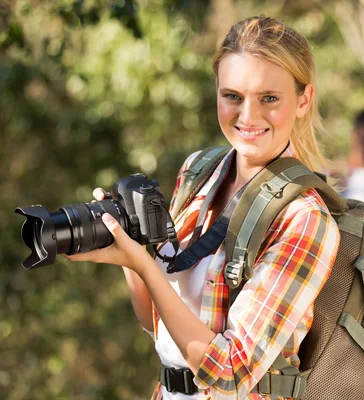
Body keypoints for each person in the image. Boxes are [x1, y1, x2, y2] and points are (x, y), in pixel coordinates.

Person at [65, 16, 340, 399]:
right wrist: (128, 254)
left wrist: (145, 265)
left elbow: (230, 373)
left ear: (303, 100)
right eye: (232, 96)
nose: (247, 116)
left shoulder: (304, 219)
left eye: (269, 98)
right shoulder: (199, 172)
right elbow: (156, 324)